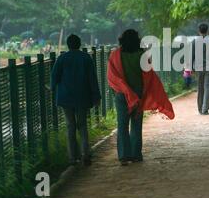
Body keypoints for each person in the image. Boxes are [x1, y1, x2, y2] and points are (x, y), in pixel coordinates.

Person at [107, 29, 175, 166]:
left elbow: (112, 76)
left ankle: (124, 156)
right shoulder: (142, 55)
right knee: (136, 125)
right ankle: (136, 155)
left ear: (122, 40)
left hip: (121, 95)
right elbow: (149, 76)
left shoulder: (115, 55)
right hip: (138, 94)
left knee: (122, 125)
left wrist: (123, 89)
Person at [51, 34, 101, 166]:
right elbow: (92, 79)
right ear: (79, 44)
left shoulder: (62, 58)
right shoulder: (86, 58)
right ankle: (86, 154)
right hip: (82, 97)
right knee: (82, 125)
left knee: (70, 126)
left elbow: (54, 76)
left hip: (65, 97)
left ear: (68, 44)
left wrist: (51, 87)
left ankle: (73, 157)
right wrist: (96, 96)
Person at [192, 23, 209, 115]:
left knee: (200, 88)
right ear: (207, 31)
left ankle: (200, 108)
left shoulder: (195, 41)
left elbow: (192, 55)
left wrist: (191, 68)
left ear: (199, 31)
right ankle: (205, 109)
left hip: (199, 68)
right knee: (207, 88)